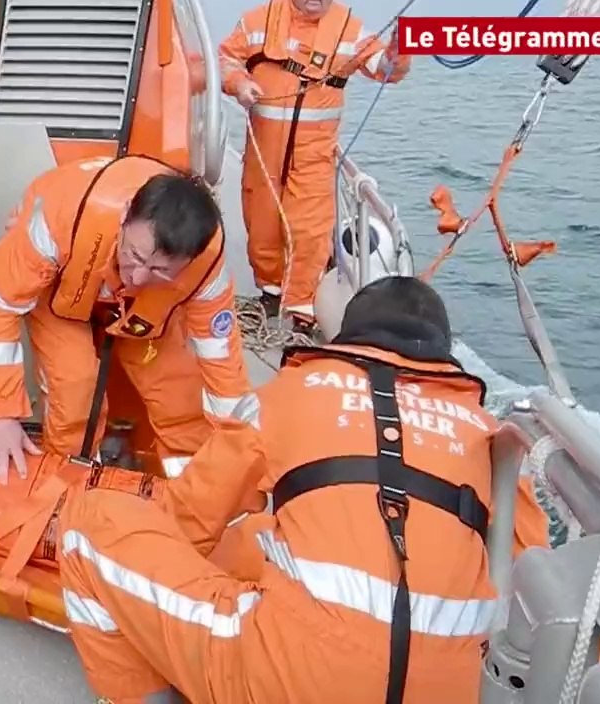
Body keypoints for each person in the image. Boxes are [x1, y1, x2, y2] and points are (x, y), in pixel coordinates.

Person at [54, 276, 550, 704]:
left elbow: (189, 520)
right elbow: (534, 593)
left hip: (292, 681)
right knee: (258, 537)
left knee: (88, 524)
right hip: (453, 690)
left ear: (347, 336)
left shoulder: (290, 393)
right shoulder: (493, 440)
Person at [0, 156, 250, 484]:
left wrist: (238, 452)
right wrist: (0, 414)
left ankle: (196, 490)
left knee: (181, 401)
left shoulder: (206, 267)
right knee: (74, 395)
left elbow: (222, 362)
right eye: (134, 256)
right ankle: (71, 488)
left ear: (189, 261)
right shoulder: (60, 217)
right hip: (59, 293)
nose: (139, 276)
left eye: (160, 270)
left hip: (142, 314)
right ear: (124, 215)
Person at [218, 0, 410, 329]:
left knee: (309, 232)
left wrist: (398, 50)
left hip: (313, 155)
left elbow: (384, 67)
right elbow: (225, 59)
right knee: (261, 227)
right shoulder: (257, 21)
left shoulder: (348, 29)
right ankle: (270, 292)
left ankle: (302, 312)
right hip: (264, 151)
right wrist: (239, 84)